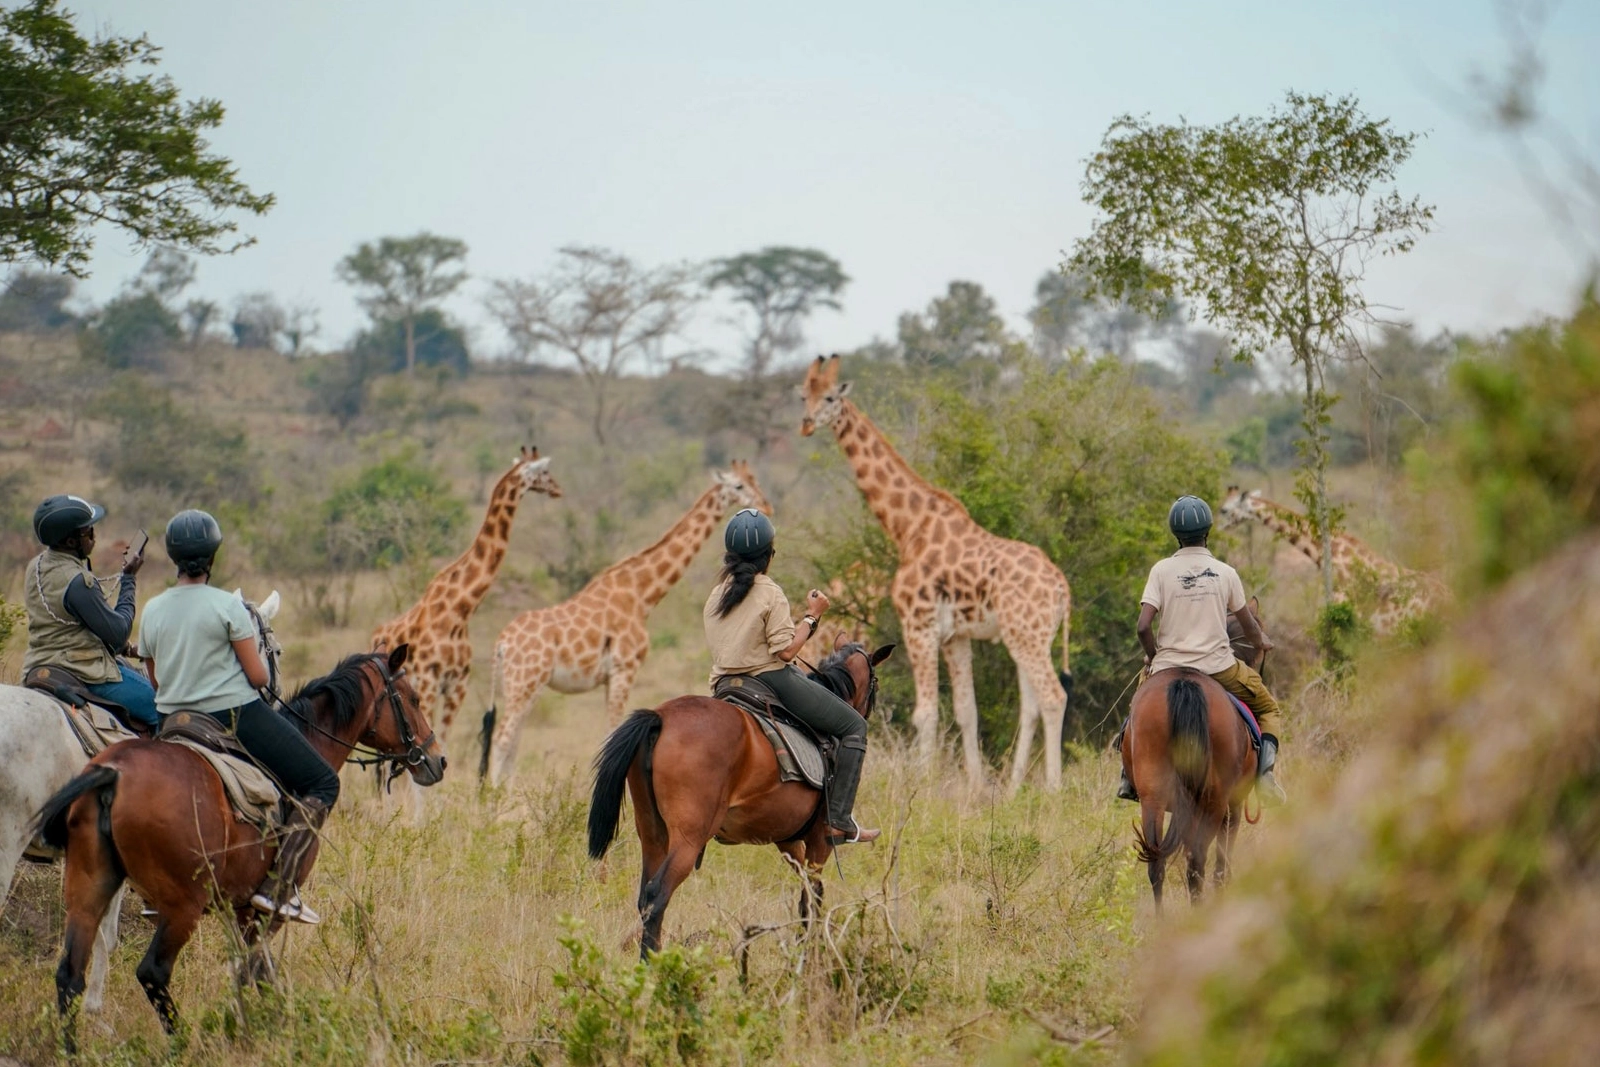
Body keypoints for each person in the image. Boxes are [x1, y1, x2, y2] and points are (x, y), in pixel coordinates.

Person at [137, 509, 341, 924]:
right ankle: (280, 888)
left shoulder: (153, 609)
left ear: (174, 558)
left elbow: (154, 680)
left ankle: (154, 889)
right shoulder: (228, 606)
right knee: (323, 781)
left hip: (174, 721)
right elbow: (258, 676)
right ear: (212, 557)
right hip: (233, 715)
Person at [703, 508, 879, 844]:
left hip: (723, 685)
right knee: (855, 726)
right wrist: (813, 617)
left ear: (730, 556)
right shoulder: (770, 591)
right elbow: (785, 652)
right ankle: (839, 820)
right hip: (770, 680)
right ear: (769, 556)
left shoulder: (716, 595)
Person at [1117, 495, 1288, 806]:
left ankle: (1128, 778)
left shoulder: (1161, 570)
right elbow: (1248, 627)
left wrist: (1154, 658)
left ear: (1175, 534)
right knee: (1269, 709)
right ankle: (1264, 778)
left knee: (1136, 713)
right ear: (1207, 531)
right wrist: (1262, 641)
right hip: (1218, 667)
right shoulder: (1225, 572)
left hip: (1167, 666)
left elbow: (1143, 627)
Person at [22, 494, 158, 730]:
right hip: (82, 669)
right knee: (162, 708)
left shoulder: (36, 565)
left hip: (39, 663)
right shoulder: (78, 582)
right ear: (72, 542)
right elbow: (118, 632)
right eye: (89, 532)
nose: (94, 536)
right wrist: (128, 579)